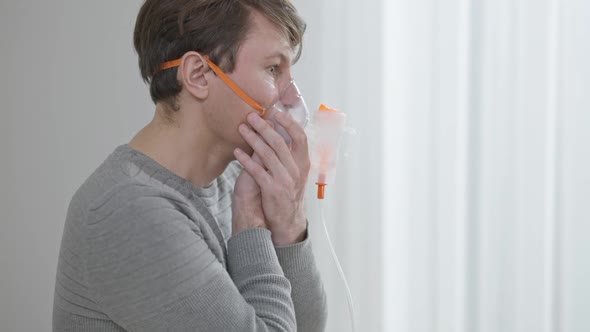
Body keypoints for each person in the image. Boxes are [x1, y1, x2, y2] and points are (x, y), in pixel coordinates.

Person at [52, 0, 328, 331]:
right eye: (273, 69)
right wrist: (252, 227)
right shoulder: (129, 210)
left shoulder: (237, 179)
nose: (291, 96)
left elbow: (307, 327)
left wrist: (290, 222)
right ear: (198, 75)